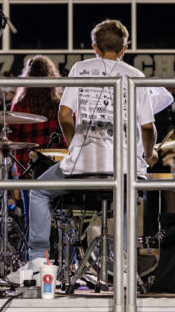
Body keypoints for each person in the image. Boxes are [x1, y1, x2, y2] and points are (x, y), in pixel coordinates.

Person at [9, 19, 157, 281]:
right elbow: (147, 128)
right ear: (125, 49)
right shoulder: (135, 76)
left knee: (38, 191)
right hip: (122, 168)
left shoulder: (80, 68)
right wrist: (149, 154)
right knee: (124, 193)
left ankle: (38, 261)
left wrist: (73, 144)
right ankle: (122, 258)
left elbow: (64, 115)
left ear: (95, 48)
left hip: (83, 167)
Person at [8, 55, 62, 168]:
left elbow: (11, 137)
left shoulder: (20, 104)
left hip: (26, 165)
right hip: (55, 164)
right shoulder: (59, 103)